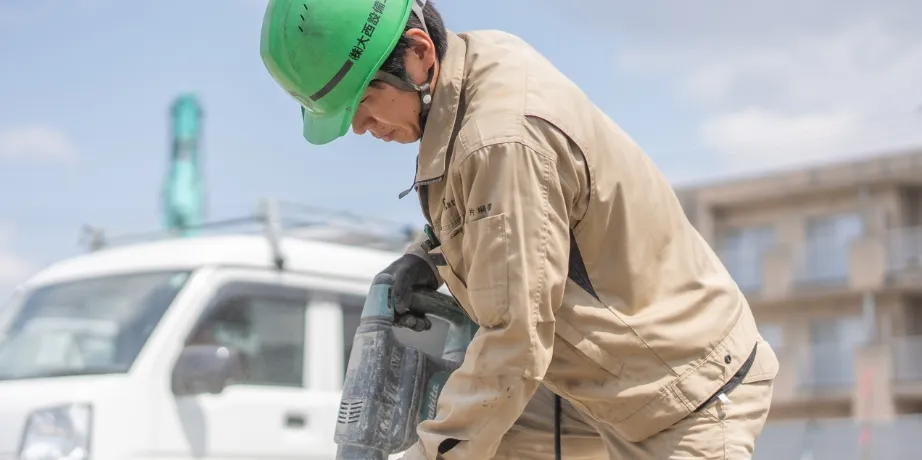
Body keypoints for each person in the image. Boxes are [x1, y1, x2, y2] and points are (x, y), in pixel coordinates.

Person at [259, 0, 780, 458]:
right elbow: (496, 218)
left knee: (467, 424)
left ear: (418, 53)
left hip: (683, 392)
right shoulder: (468, 73)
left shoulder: (501, 138)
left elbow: (515, 341)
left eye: (362, 102)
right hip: (592, 382)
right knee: (486, 430)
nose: (358, 127)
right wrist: (425, 257)